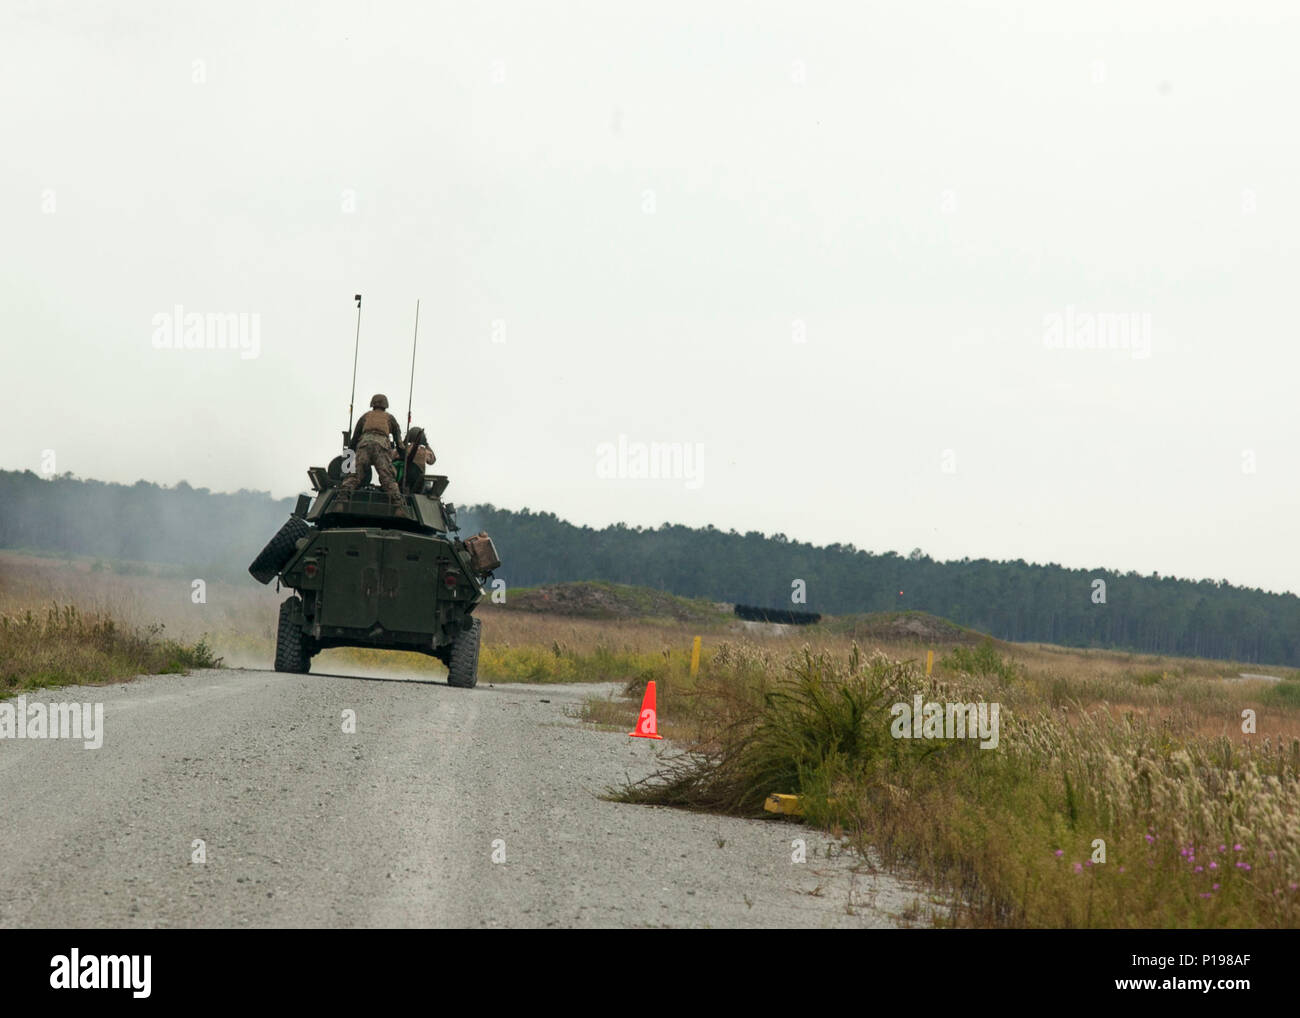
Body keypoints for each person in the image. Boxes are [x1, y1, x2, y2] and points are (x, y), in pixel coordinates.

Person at [340, 394, 407, 515]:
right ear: (385, 405)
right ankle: (398, 506)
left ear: (373, 404)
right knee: (387, 477)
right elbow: (399, 443)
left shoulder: (365, 417)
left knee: (355, 475)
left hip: (363, 446)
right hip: (381, 447)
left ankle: (342, 499)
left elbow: (354, 440)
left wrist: (347, 460)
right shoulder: (390, 418)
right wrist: (404, 456)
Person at [402, 426, 436, 494]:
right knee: (428, 483)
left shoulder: (402, 449)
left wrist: (403, 442)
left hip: (401, 480)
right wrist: (426, 444)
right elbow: (432, 461)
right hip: (417, 483)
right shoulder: (425, 452)